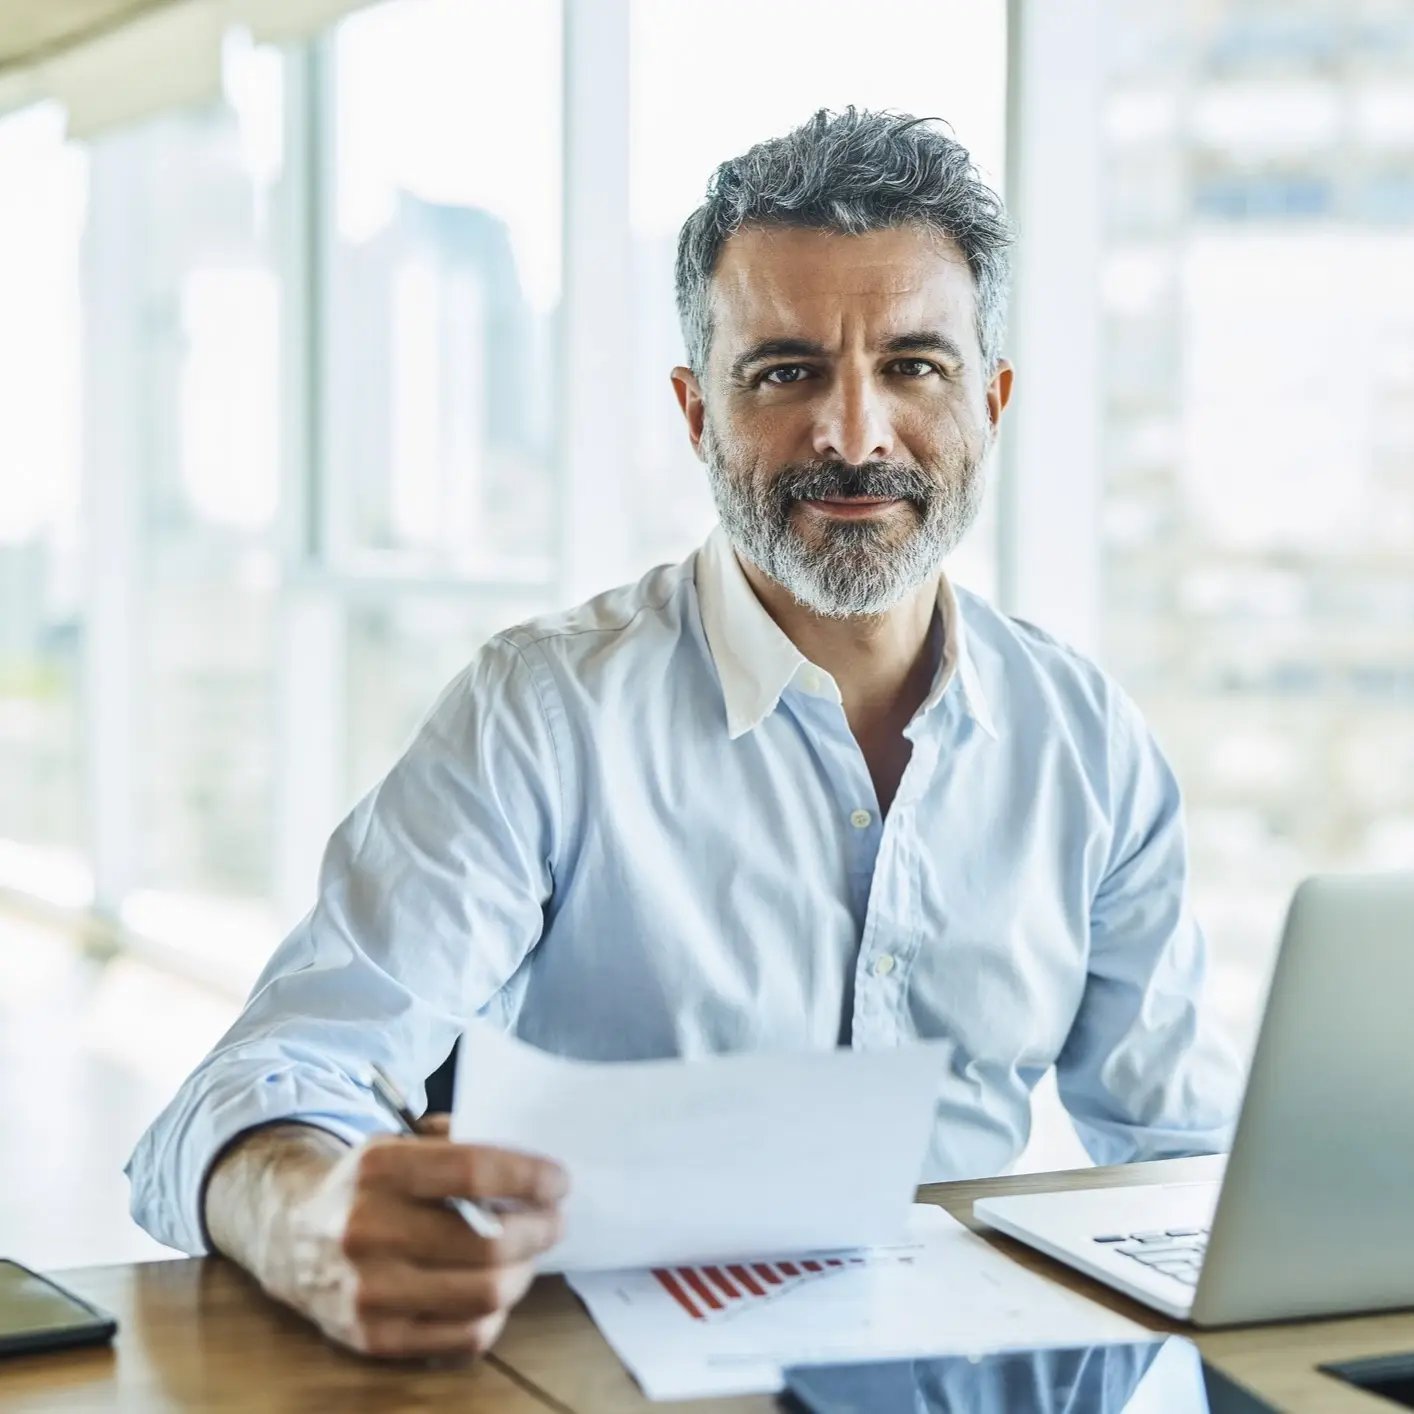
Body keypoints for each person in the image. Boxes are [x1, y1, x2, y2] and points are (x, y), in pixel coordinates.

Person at [128, 108, 1237, 1360]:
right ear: (696, 412)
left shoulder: (1088, 744)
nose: (855, 434)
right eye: (785, 372)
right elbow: (250, 1091)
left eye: (915, 367)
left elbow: (1181, 1162)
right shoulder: (544, 715)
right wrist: (301, 1213)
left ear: (991, 401)